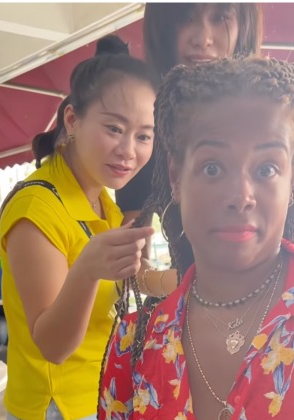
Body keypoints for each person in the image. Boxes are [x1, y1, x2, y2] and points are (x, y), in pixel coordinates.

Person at [97, 57, 294, 420]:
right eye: (214, 168)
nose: (241, 197)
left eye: (267, 168)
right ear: (176, 176)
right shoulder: (136, 340)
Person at [0, 35, 159, 420]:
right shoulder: (36, 206)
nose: (128, 150)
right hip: (57, 413)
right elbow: (52, 344)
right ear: (71, 120)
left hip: (105, 395)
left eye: (144, 136)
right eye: (113, 128)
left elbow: (125, 284)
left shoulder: (102, 200)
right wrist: (87, 269)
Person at [116, 4, 263, 254]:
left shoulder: (273, 112)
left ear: (244, 26)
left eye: (220, 18)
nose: (202, 39)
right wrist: (176, 283)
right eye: (185, 19)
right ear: (161, 29)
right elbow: (134, 259)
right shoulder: (150, 126)